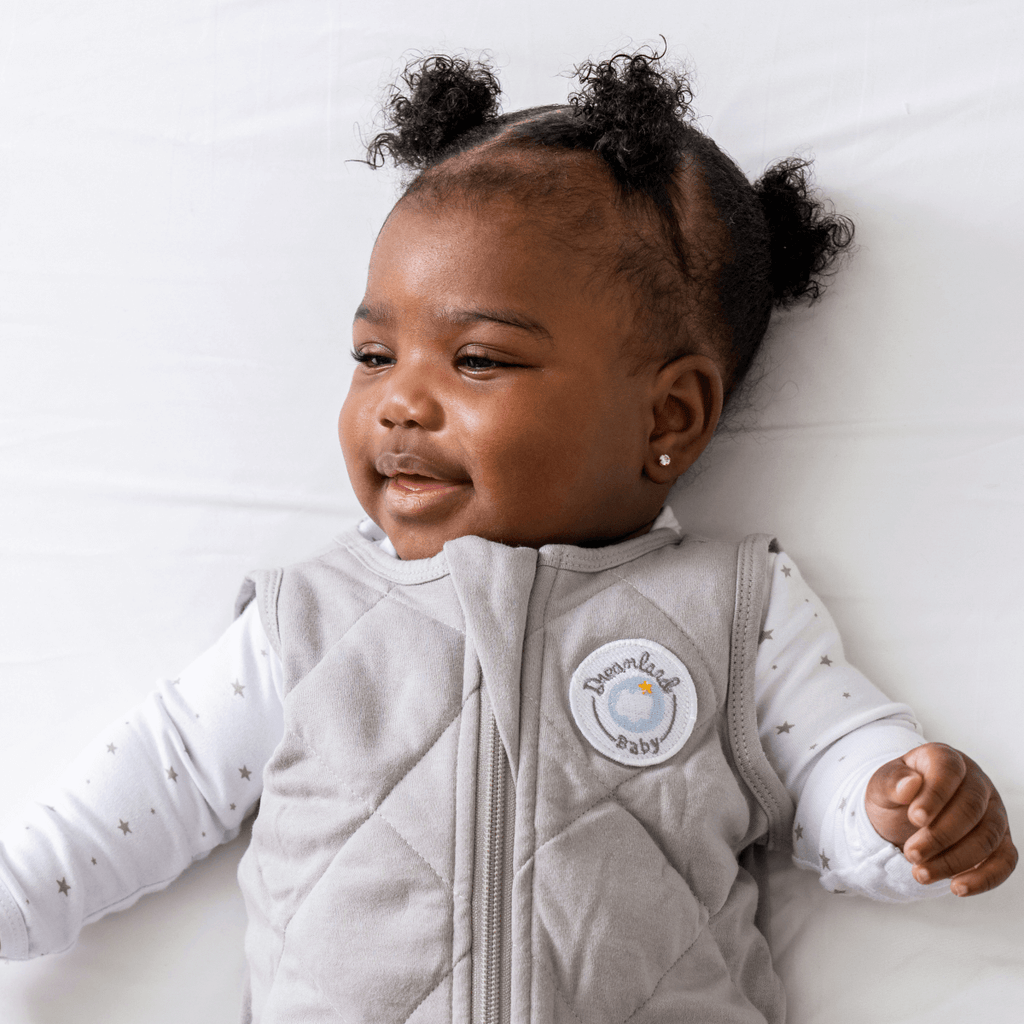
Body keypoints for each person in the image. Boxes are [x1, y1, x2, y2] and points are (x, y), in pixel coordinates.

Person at [0, 47, 1015, 1023]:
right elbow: (147, 790)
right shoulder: (305, 623)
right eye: (373, 354)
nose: (400, 401)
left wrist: (902, 812)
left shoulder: (734, 610)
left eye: (478, 360)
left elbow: (836, 766)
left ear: (668, 416)